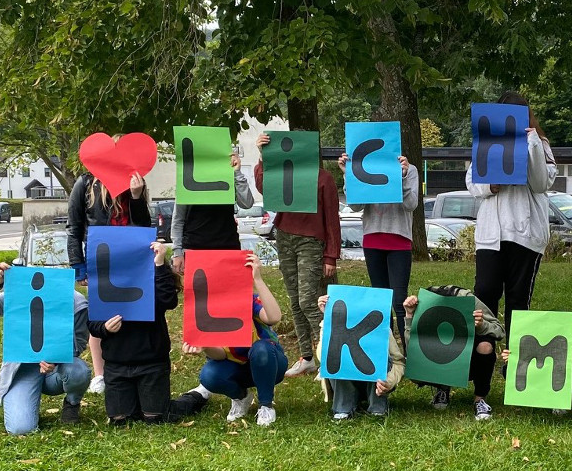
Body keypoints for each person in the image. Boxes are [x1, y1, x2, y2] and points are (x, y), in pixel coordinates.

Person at [171, 147, 257, 406]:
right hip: (196, 254)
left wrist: (237, 174)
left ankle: (233, 379)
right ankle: (214, 374)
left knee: (230, 312)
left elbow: (247, 203)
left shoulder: (227, 177)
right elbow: (178, 220)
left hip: (228, 252)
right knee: (204, 313)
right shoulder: (188, 180)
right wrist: (177, 251)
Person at [466, 91, 556, 333]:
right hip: (491, 235)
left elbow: (540, 183)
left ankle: (514, 360)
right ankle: (484, 350)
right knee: (484, 293)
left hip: (524, 234)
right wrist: (489, 186)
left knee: (518, 299)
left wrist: (533, 143)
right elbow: (472, 181)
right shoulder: (486, 142)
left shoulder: (540, 144)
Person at [253, 132, 341, 378]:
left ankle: (330, 356)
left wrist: (330, 255)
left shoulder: (323, 178)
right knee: (294, 300)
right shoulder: (283, 175)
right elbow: (263, 187)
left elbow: (333, 219)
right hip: (285, 236)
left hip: (311, 242)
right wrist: (263, 156)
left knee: (308, 301)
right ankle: (307, 357)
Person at [0, 262, 92, 435]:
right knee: (21, 428)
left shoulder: (77, 303)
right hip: (22, 369)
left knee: (79, 371)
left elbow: (78, 344)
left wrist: (55, 360)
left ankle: (72, 403)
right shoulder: (20, 296)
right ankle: (24, 398)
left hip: (56, 369)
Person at [88, 242, 199, 425]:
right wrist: (104, 328)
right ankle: (139, 401)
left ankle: (196, 396)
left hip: (152, 363)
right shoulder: (103, 283)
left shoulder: (152, 279)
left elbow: (168, 300)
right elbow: (92, 325)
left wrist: (159, 263)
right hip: (117, 366)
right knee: (120, 420)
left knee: (155, 418)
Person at [67, 164, 151, 396]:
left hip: (131, 257)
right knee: (100, 314)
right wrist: (78, 267)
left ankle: (128, 365)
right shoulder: (86, 183)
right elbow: (74, 227)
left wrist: (136, 196)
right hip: (101, 256)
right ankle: (100, 373)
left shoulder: (136, 181)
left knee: (131, 311)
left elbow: (144, 226)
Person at [181, 253, 288, 427]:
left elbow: (274, 317)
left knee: (262, 349)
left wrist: (258, 280)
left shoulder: (248, 299)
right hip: (235, 367)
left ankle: (266, 405)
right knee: (209, 376)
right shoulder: (206, 308)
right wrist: (205, 345)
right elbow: (220, 355)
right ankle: (241, 397)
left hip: (269, 363)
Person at [336, 152, 419, 335]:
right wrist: (348, 174)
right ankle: (386, 357)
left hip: (399, 240)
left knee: (399, 301)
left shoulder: (410, 170)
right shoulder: (367, 170)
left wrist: (403, 178)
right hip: (373, 240)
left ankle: (407, 355)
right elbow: (356, 206)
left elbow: (411, 204)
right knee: (380, 302)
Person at [402, 285, 505, 420]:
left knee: (485, 346)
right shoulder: (423, 305)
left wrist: (481, 325)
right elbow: (413, 350)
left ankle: (480, 399)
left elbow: (499, 330)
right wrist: (409, 315)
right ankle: (443, 388)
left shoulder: (468, 299)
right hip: (440, 357)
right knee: (416, 367)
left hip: (469, 359)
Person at [316, 294, 406, 420]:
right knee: (336, 356)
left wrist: (389, 382)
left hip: (374, 384)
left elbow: (398, 362)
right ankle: (343, 407)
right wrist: (328, 319)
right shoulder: (333, 325)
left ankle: (377, 406)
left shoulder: (382, 329)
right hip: (344, 380)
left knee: (382, 357)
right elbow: (323, 357)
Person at [501, 312, 572, 421]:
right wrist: (514, 360)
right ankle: (563, 396)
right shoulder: (531, 331)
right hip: (556, 367)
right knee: (511, 369)